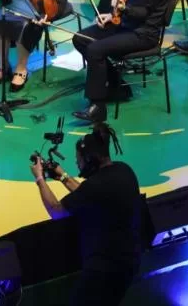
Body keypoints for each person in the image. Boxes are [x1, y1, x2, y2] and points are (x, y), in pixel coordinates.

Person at [31, 122, 143, 305]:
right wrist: (62, 176)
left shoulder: (95, 186)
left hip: (105, 270)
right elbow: (87, 192)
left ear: (91, 159)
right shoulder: (124, 170)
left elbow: (56, 211)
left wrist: (39, 178)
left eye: (79, 159)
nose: (77, 162)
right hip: (129, 260)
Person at [72, 0, 173, 123]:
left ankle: (97, 107)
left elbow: (143, 13)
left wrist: (122, 8)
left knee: (95, 50)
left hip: (143, 33)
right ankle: (116, 85)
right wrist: (112, 15)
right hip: (127, 23)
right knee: (81, 39)